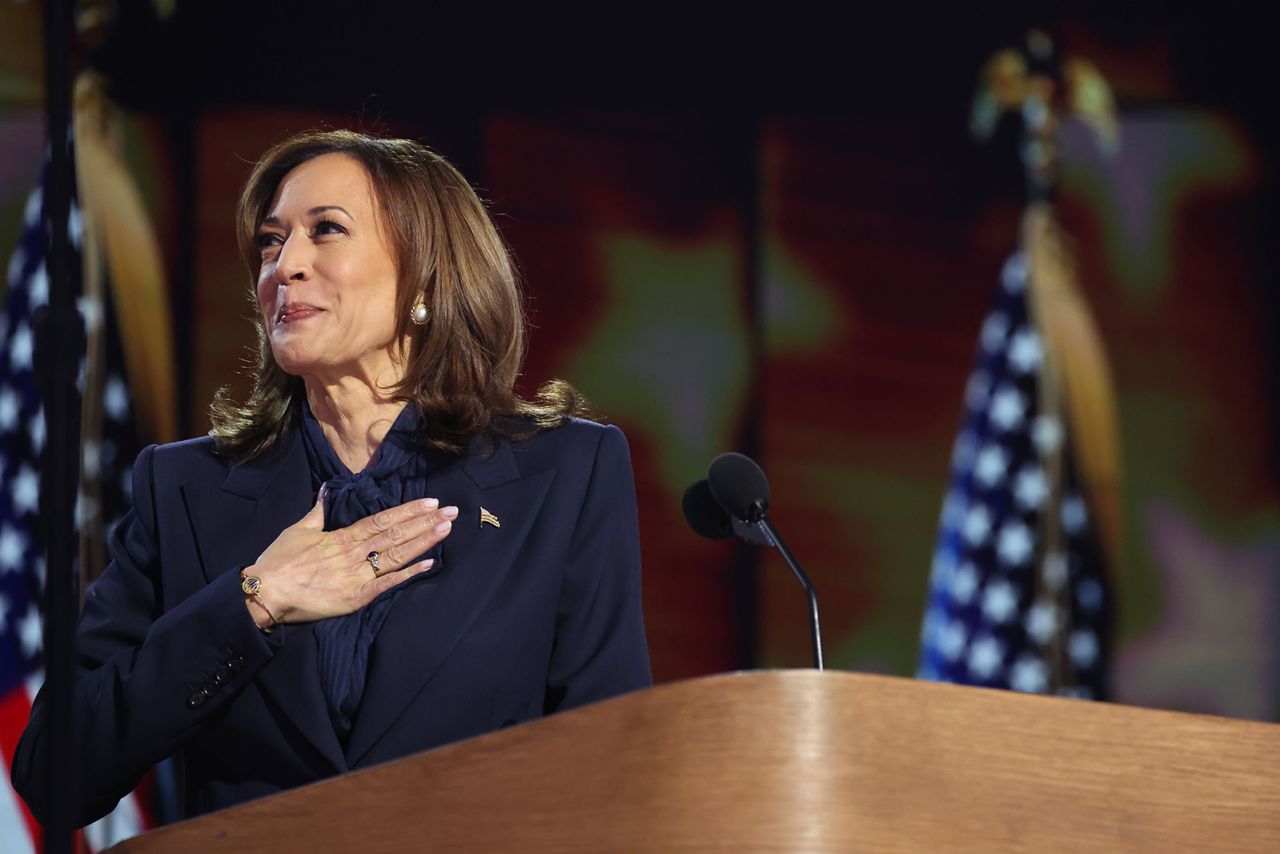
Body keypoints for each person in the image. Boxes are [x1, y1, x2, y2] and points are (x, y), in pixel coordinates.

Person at [12, 129, 652, 826]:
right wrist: (255, 601)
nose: (284, 265)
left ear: (425, 278)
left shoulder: (563, 476)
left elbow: (611, 764)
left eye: (326, 231)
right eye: (271, 241)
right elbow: (54, 771)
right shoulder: (185, 490)